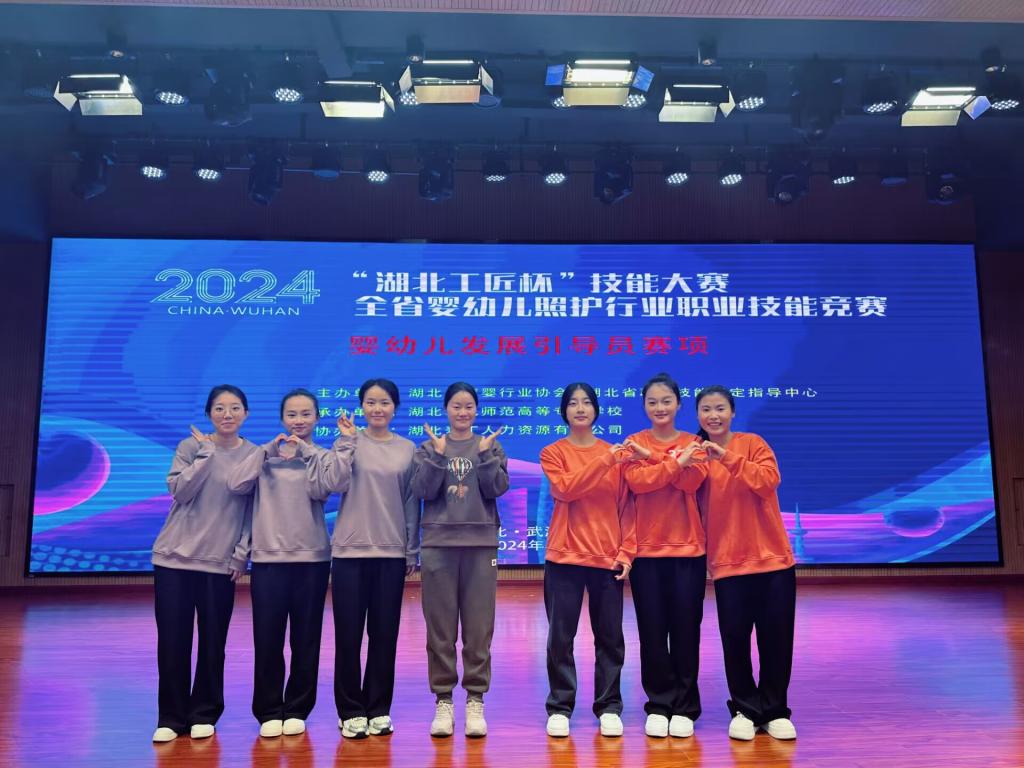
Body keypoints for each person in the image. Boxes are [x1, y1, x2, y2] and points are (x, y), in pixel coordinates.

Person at [151, 384, 258, 743]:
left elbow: (252, 510)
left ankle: (204, 713)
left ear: (246, 413)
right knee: (173, 641)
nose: (227, 414)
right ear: (209, 413)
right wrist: (205, 455)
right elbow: (180, 492)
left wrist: (242, 553)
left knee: (213, 642)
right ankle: (171, 717)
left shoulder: (254, 454)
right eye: (220, 408)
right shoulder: (191, 447)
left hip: (219, 562)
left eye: (235, 408)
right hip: (174, 559)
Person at [312, 378, 419, 739]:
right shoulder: (348, 441)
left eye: (384, 402)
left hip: (391, 552)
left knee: (384, 635)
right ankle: (349, 710)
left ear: (395, 407)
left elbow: (411, 503)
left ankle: (378, 708)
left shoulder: (407, 449)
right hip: (350, 551)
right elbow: (335, 485)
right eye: (371, 402)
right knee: (348, 634)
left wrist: (411, 548)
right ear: (361, 406)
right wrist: (345, 443)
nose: (377, 409)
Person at [693, 385, 797, 742]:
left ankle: (775, 709)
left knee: (776, 639)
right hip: (727, 563)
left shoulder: (752, 444)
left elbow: (768, 481)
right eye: (706, 409)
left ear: (733, 412)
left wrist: (726, 457)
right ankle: (745, 708)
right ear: (698, 415)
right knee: (735, 640)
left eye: (720, 408)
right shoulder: (696, 454)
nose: (713, 415)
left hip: (773, 561)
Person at [227, 388, 332, 738]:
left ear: (317, 418)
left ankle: (298, 707)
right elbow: (236, 484)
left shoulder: (321, 456)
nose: (298, 421)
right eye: (292, 414)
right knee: (268, 637)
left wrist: (309, 454)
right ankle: (269, 709)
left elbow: (324, 489)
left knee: (306, 639)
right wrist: (265, 452)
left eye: (306, 414)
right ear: (282, 418)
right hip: (268, 559)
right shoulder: (264, 457)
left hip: (312, 558)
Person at [539, 382, 641, 739]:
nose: (580, 408)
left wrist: (627, 552)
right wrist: (606, 460)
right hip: (564, 556)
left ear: (596, 410)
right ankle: (560, 706)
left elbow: (627, 508)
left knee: (610, 637)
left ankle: (609, 705)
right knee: (560, 637)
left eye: (586, 402)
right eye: (573, 403)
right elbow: (566, 489)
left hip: (607, 559)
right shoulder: (553, 452)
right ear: (564, 411)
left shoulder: (616, 456)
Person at [411, 382, 509, 739]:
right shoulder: (428, 447)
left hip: (481, 545)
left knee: (479, 627)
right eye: (456, 406)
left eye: (469, 406)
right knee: (440, 627)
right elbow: (422, 491)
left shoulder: (490, 445)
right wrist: (438, 457)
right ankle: (443, 700)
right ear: (446, 409)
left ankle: (475, 699)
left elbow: (497, 489)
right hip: (438, 544)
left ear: (476, 410)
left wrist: (485, 457)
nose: (463, 412)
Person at [623, 372, 708, 739]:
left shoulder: (696, 443)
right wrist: (673, 462)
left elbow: (691, 482)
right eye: (652, 402)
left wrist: (655, 461)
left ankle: (685, 706)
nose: (659, 407)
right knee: (653, 632)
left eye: (666, 401)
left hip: (688, 550)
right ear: (644, 405)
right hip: (646, 552)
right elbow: (639, 483)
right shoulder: (633, 443)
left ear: (678, 404)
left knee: (686, 630)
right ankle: (658, 704)